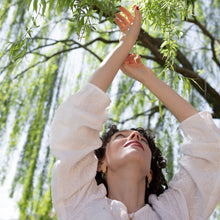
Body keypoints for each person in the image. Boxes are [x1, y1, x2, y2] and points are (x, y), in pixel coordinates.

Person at [50, 5, 220, 220]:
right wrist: (125, 45)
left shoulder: (177, 210)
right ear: (101, 163)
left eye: (143, 141)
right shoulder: (78, 201)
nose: (135, 136)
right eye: (121, 136)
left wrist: (148, 78)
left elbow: (211, 147)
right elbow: (76, 122)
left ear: (150, 172)